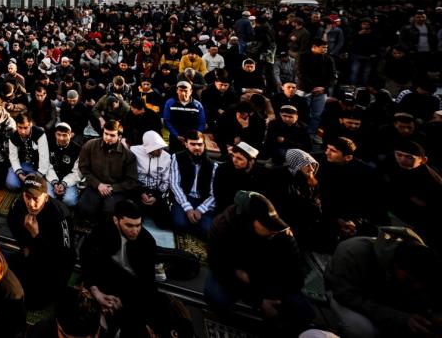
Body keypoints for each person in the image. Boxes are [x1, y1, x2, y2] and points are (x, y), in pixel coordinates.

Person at [205, 191, 313, 335]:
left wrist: (268, 295)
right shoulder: (222, 227)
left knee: (303, 312)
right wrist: (259, 301)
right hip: (235, 276)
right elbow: (220, 268)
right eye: (266, 225)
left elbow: (295, 276)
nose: (272, 229)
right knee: (216, 296)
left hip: (268, 279)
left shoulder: (281, 232)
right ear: (249, 220)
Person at [325, 226, 441, 338]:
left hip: (377, 295)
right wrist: (402, 318)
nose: (417, 285)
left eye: (420, 281)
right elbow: (346, 296)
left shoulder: (418, 261)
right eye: (410, 279)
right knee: (364, 332)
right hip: (343, 294)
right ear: (396, 265)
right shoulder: (351, 252)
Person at [79, 198, 160, 335]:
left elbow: (146, 282)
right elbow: (87, 256)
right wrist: (95, 291)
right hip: (106, 272)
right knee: (82, 307)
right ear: (116, 221)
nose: (135, 231)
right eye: (129, 225)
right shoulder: (104, 228)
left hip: (131, 284)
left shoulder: (147, 242)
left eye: (138, 225)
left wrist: (122, 302)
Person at [6, 173, 74, 309]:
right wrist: (24, 244)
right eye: (27, 197)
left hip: (51, 268)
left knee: (32, 302)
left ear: (46, 197)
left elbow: (64, 259)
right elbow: (11, 221)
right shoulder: (19, 203)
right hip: (29, 254)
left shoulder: (60, 216)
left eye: (36, 199)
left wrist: (36, 235)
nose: (31, 204)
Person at [77, 119, 140, 218]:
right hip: (95, 186)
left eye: (112, 135)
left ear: (119, 136)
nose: (108, 137)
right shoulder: (90, 145)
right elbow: (83, 167)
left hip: (116, 190)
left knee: (110, 211)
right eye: (106, 133)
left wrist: (112, 188)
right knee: (84, 208)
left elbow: (132, 180)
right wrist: (97, 184)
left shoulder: (128, 156)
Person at [169, 129, 218, 237]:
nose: (197, 147)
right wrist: (188, 208)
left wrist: (200, 210)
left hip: (203, 200)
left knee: (207, 230)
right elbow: (174, 184)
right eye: (193, 144)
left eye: (200, 144)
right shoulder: (176, 158)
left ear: (204, 145)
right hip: (184, 197)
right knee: (179, 224)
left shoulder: (212, 165)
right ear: (186, 144)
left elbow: (214, 193)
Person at [131, 130, 173, 226]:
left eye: (161, 148)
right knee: (133, 219)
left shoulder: (166, 158)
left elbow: (166, 181)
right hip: (138, 191)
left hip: (157, 192)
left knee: (164, 223)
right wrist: (140, 193)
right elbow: (130, 176)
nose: (160, 151)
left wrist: (156, 197)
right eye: (156, 149)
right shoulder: (134, 151)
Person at [298, 38, 336, 134]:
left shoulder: (328, 59)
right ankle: (298, 133)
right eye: (323, 47)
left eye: (326, 48)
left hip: (322, 91)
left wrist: (324, 88)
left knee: (317, 115)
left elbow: (332, 76)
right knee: (300, 112)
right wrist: (315, 88)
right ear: (314, 47)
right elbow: (301, 73)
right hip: (305, 89)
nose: (325, 50)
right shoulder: (303, 56)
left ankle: (310, 134)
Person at [6, 112, 50, 191]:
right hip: (21, 165)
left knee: (36, 187)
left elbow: (44, 157)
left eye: (25, 128)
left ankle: (28, 185)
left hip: (35, 167)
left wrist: (37, 175)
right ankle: (25, 184)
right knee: (11, 184)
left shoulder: (40, 134)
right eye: (20, 127)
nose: (23, 131)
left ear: (31, 124)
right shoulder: (13, 137)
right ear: (16, 125)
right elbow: (13, 158)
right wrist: (20, 175)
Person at [43, 122, 81, 208]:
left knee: (70, 201)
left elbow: (77, 172)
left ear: (70, 135)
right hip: (51, 178)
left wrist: (64, 184)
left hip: (69, 180)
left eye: (64, 135)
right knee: (48, 199)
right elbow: (47, 166)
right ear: (55, 134)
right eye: (58, 134)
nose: (61, 138)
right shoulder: (48, 145)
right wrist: (55, 182)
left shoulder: (78, 150)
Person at [161, 80, 206, 152]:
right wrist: (176, 135)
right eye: (180, 90)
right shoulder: (170, 103)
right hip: (175, 138)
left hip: (192, 139)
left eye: (186, 91)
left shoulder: (197, 105)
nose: (183, 93)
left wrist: (196, 135)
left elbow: (201, 122)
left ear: (191, 91)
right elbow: (167, 120)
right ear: (177, 90)